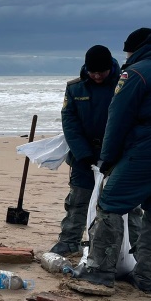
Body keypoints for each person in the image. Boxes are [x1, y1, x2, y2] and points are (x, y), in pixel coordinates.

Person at [68, 28, 151, 295]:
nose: (127, 56)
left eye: (128, 51)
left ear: (136, 49)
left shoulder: (137, 73)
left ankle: (99, 272)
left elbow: (118, 118)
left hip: (148, 149)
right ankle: (147, 276)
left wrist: (107, 160)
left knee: (111, 204)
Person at [50, 45, 126, 256]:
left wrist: (112, 153)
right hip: (83, 155)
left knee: (122, 205)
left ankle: (122, 249)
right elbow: (70, 123)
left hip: (117, 156)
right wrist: (83, 154)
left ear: (110, 67)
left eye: (101, 71)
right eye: (93, 72)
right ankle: (69, 241)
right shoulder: (75, 88)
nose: (97, 76)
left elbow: (129, 122)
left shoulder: (124, 85)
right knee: (78, 200)